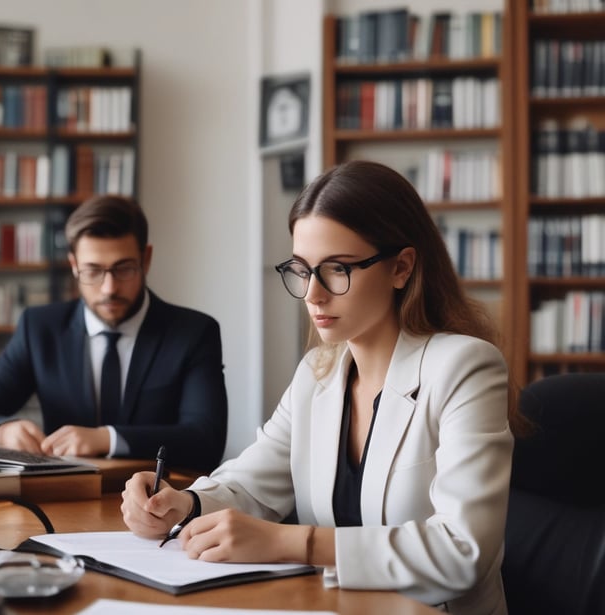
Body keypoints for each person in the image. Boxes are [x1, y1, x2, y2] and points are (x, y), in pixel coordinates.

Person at [121, 160, 520, 615]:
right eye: (302, 269)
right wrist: (183, 505)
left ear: (401, 267)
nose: (313, 293)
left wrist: (298, 542)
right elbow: (251, 486)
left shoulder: (465, 367)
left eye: (337, 269)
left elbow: (461, 551)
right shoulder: (318, 373)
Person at [0, 194, 228, 473]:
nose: (109, 287)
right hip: (66, 498)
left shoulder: (194, 333)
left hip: (163, 500)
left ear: (145, 259)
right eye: (93, 271)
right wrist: (1, 431)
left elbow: (206, 439)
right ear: (74, 265)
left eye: (123, 268)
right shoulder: (40, 329)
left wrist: (107, 438)